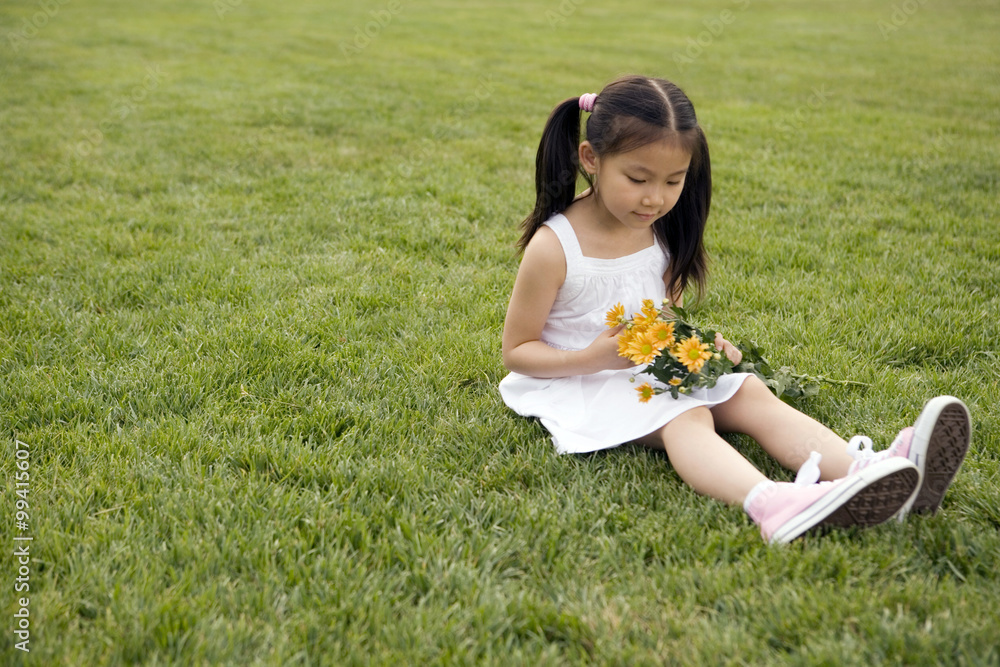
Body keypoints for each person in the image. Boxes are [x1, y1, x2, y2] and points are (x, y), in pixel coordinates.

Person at [499, 75, 972, 544]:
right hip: (576, 380)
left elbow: (663, 316)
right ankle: (772, 503)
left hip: (639, 367)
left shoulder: (661, 228)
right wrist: (595, 359)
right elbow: (517, 352)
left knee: (747, 391)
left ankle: (870, 471)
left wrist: (697, 347)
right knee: (686, 417)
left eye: (673, 181)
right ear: (591, 160)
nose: (655, 198)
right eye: (638, 179)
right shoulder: (555, 246)